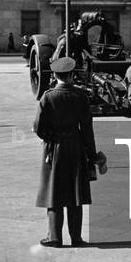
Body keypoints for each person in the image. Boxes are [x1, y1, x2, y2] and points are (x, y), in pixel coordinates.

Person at [34, 57, 97, 248]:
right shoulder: (81, 96)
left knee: (54, 192)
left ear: (54, 75)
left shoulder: (48, 97)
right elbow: (87, 129)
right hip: (76, 147)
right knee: (75, 192)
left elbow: (38, 127)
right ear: (71, 75)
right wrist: (92, 156)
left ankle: (55, 237)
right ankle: (76, 237)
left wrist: (49, 137)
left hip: (55, 148)